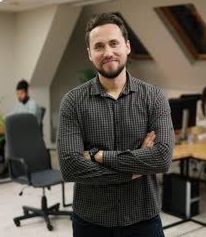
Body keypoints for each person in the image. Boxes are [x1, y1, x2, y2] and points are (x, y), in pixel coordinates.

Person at [57, 13, 174, 237]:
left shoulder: (154, 98)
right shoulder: (73, 102)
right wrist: (135, 167)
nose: (108, 52)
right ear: (90, 54)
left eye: (114, 43)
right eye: (99, 46)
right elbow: (70, 166)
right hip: (91, 223)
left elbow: (162, 158)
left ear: (127, 46)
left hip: (144, 221)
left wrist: (97, 156)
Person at [0, 79, 42, 179]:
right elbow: (12, 114)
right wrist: (2, 118)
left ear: (26, 92)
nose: (18, 96)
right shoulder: (19, 104)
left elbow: (29, 121)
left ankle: (9, 168)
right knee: (2, 139)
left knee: (9, 140)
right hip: (21, 132)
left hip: (30, 135)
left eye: (20, 94)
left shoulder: (33, 105)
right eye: (17, 94)